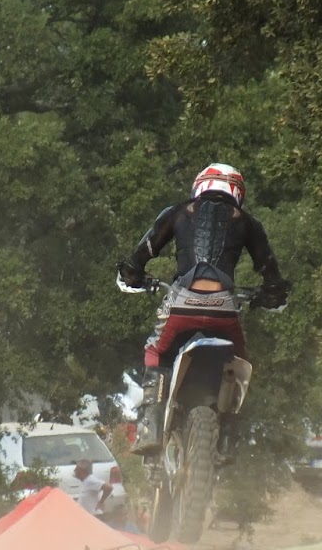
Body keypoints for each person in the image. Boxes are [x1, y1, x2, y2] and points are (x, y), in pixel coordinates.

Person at [118, 162, 290, 455]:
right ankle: (229, 437)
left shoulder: (176, 212)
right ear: (238, 192)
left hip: (181, 305)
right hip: (224, 309)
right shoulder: (249, 223)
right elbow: (271, 274)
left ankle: (150, 427)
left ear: (199, 186)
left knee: (155, 351)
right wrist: (269, 295)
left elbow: (140, 256)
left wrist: (133, 277)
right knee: (240, 361)